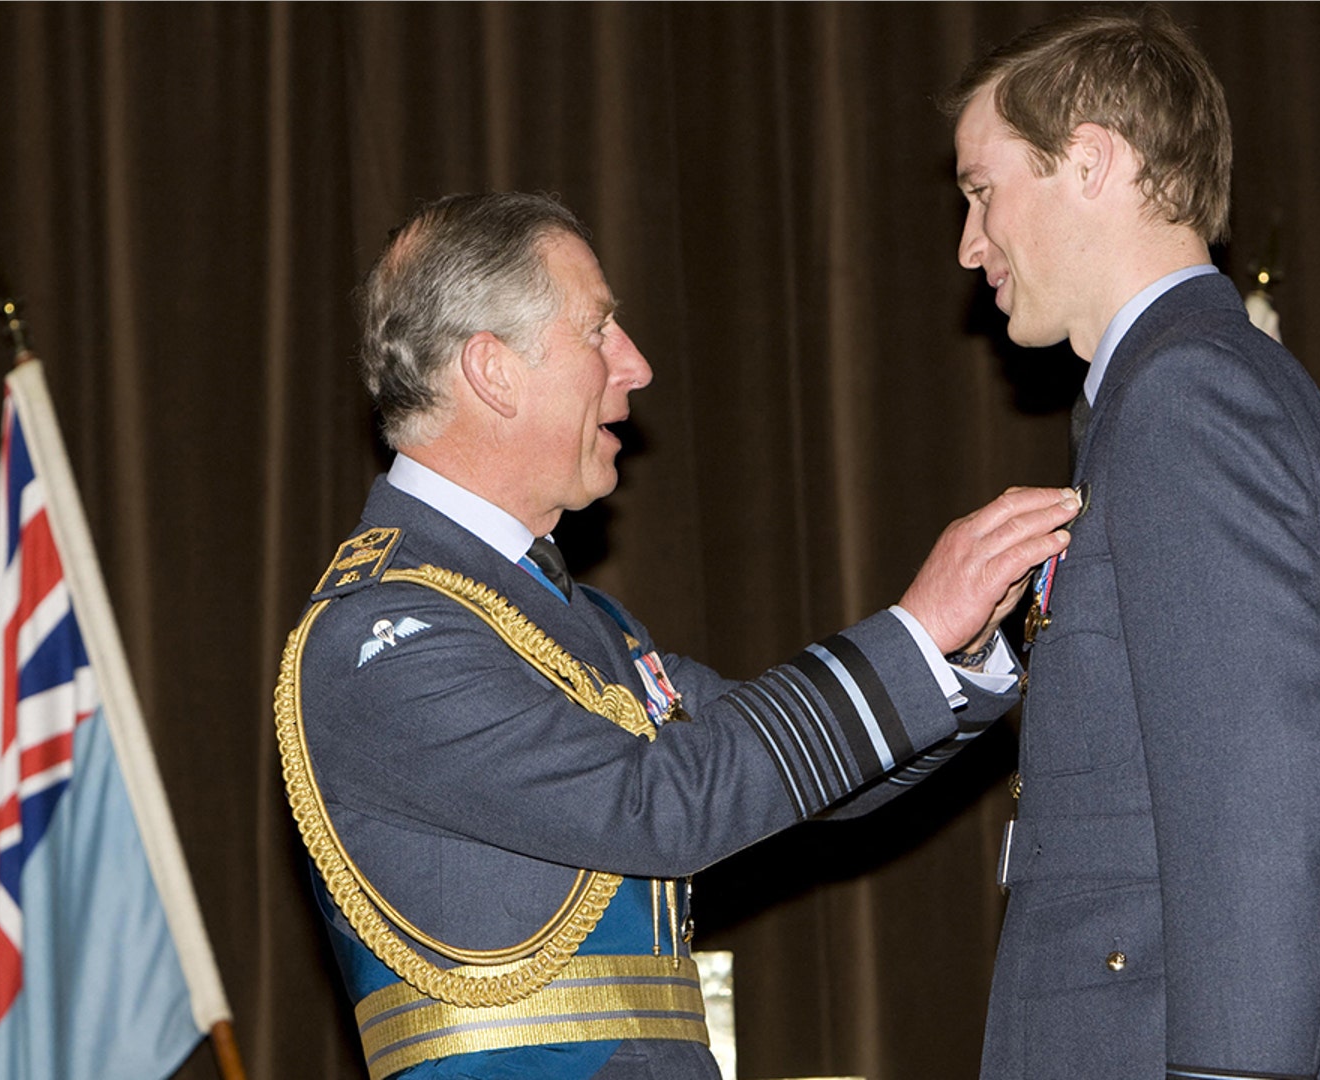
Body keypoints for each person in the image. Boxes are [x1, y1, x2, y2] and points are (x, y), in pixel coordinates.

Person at [273, 191, 1079, 1079]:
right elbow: (664, 806)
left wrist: (953, 654)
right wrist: (915, 630)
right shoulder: (380, 632)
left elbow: (805, 781)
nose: (637, 365)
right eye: (598, 331)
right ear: (492, 371)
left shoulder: (586, 621)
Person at [944, 9, 1320, 1080]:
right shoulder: (1156, 394)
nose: (969, 244)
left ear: (1093, 162)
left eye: (981, 191)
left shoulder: (1184, 397)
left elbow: (1258, 805)